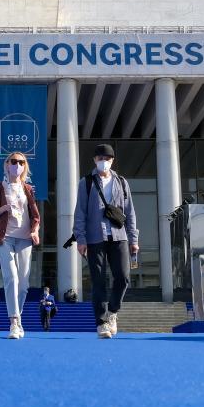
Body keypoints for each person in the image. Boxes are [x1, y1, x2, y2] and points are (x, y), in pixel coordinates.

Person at [73, 143, 139, 339]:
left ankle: (112, 311)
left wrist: (133, 238)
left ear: (112, 160)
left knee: (123, 277)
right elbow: (80, 212)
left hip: (119, 236)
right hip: (95, 238)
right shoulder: (86, 182)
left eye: (107, 159)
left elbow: (130, 212)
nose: (103, 162)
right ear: (94, 160)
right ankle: (101, 322)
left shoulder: (122, 182)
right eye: (100, 158)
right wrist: (81, 238)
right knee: (98, 281)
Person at [0, 151, 40, 339]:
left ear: (25, 167)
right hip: (5, 238)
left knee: (23, 285)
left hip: (25, 239)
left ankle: (18, 316)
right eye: (14, 161)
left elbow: (36, 216)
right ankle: (14, 322)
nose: (18, 165)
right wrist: (4, 208)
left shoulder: (28, 188)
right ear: (7, 165)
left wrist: (35, 231)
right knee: (11, 279)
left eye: (21, 162)